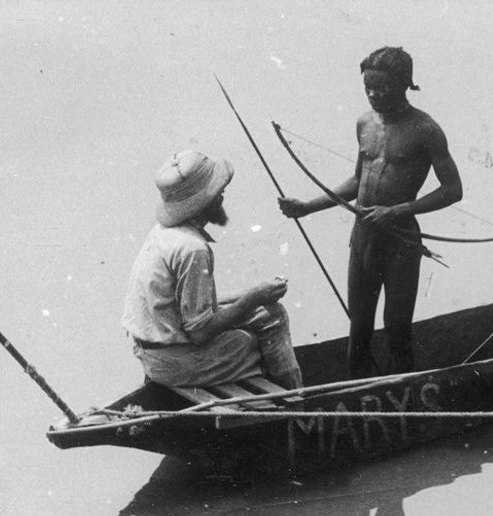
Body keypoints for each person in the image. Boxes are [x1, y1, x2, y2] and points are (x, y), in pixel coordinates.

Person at [278, 46, 463, 378]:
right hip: (363, 237)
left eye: (382, 88)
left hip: (401, 241)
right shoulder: (365, 123)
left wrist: (397, 211)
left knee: (396, 325)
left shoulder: (426, 129)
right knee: (359, 325)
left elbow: (453, 189)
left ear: (404, 84)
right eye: (368, 88)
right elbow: (357, 180)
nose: (374, 95)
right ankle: (359, 392)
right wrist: (306, 207)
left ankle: (404, 397)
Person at [122, 149, 302, 391]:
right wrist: (255, 297)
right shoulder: (194, 249)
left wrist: (253, 294)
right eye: (218, 193)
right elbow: (200, 332)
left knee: (266, 313)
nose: (222, 197)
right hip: (175, 363)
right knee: (258, 333)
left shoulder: (163, 233)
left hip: (152, 353)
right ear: (203, 202)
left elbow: (186, 308)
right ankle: (296, 403)